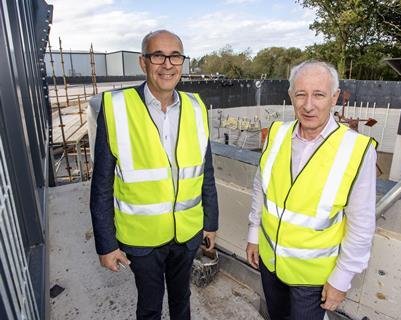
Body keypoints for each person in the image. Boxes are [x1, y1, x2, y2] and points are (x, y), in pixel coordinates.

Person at [90, 29, 219, 320]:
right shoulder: (116, 107)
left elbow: (205, 172)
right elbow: (101, 185)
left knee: (181, 300)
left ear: (182, 62)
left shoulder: (197, 108)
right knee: (149, 307)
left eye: (175, 56)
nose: (167, 64)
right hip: (142, 240)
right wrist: (106, 244)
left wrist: (209, 223)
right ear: (143, 62)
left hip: (186, 234)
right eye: (158, 55)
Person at [246, 60, 377, 319]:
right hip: (270, 266)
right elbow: (261, 187)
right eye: (301, 94)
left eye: (318, 94)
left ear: (334, 97)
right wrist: (253, 233)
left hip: (312, 280)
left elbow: (361, 224)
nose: (308, 105)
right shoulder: (276, 134)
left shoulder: (357, 150)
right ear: (290, 96)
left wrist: (341, 279)